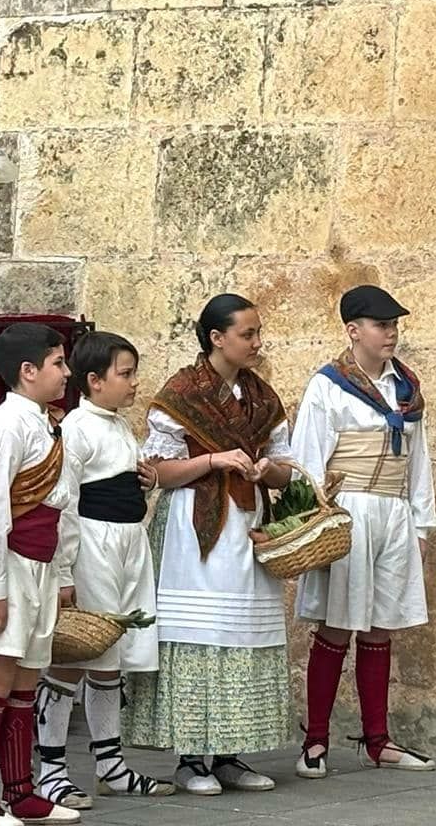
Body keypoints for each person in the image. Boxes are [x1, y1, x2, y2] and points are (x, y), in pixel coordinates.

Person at [124, 294, 294, 796]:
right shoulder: (182, 393)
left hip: (246, 526)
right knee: (198, 636)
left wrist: (267, 469)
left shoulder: (262, 397)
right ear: (217, 338)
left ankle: (228, 755)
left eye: (258, 332)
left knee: (240, 633)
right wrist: (215, 461)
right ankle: (189, 758)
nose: (257, 343)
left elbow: (285, 462)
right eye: (248, 334)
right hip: (193, 532)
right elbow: (158, 472)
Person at [292, 285, 436, 779]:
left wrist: (421, 523)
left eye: (394, 324)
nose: (390, 332)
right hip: (349, 510)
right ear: (354, 331)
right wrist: (315, 522)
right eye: (381, 325)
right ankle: (315, 741)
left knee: (382, 624)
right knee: (336, 623)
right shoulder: (329, 386)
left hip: (394, 512)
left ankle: (378, 740)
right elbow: (307, 462)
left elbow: (419, 462)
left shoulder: (406, 388)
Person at [36, 332, 172, 808]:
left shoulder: (117, 425)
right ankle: (50, 771)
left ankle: (110, 764)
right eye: (126, 374)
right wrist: (65, 573)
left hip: (127, 545)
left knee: (110, 661)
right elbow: (66, 502)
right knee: (74, 657)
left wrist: (147, 484)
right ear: (94, 381)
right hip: (93, 545)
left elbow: (122, 483)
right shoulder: (75, 428)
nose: (134, 383)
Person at [0, 324, 79, 826]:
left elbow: (63, 505)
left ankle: (22, 791)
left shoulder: (47, 424)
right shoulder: (6, 426)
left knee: (26, 682)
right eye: (57, 363)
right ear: (28, 371)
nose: (66, 372)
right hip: (4, 563)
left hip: (40, 565)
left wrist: (62, 570)